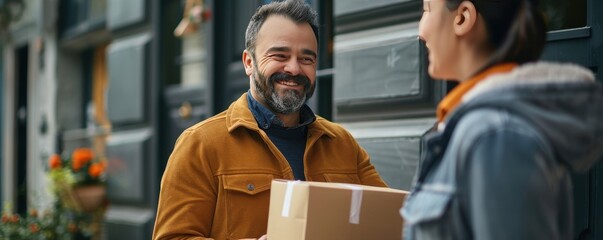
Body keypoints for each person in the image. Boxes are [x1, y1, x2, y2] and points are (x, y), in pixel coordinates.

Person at [152, 0, 387, 239]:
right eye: (280, 55)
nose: (294, 68)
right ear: (248, 62)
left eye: (307, 59)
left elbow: (387, 222)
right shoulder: (200, 144)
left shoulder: (342, 143)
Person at [401, 0, 603, 239]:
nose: (421, 32)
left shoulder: (497, 135)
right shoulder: (477, 128)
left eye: (426, 10)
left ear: (463, 17)